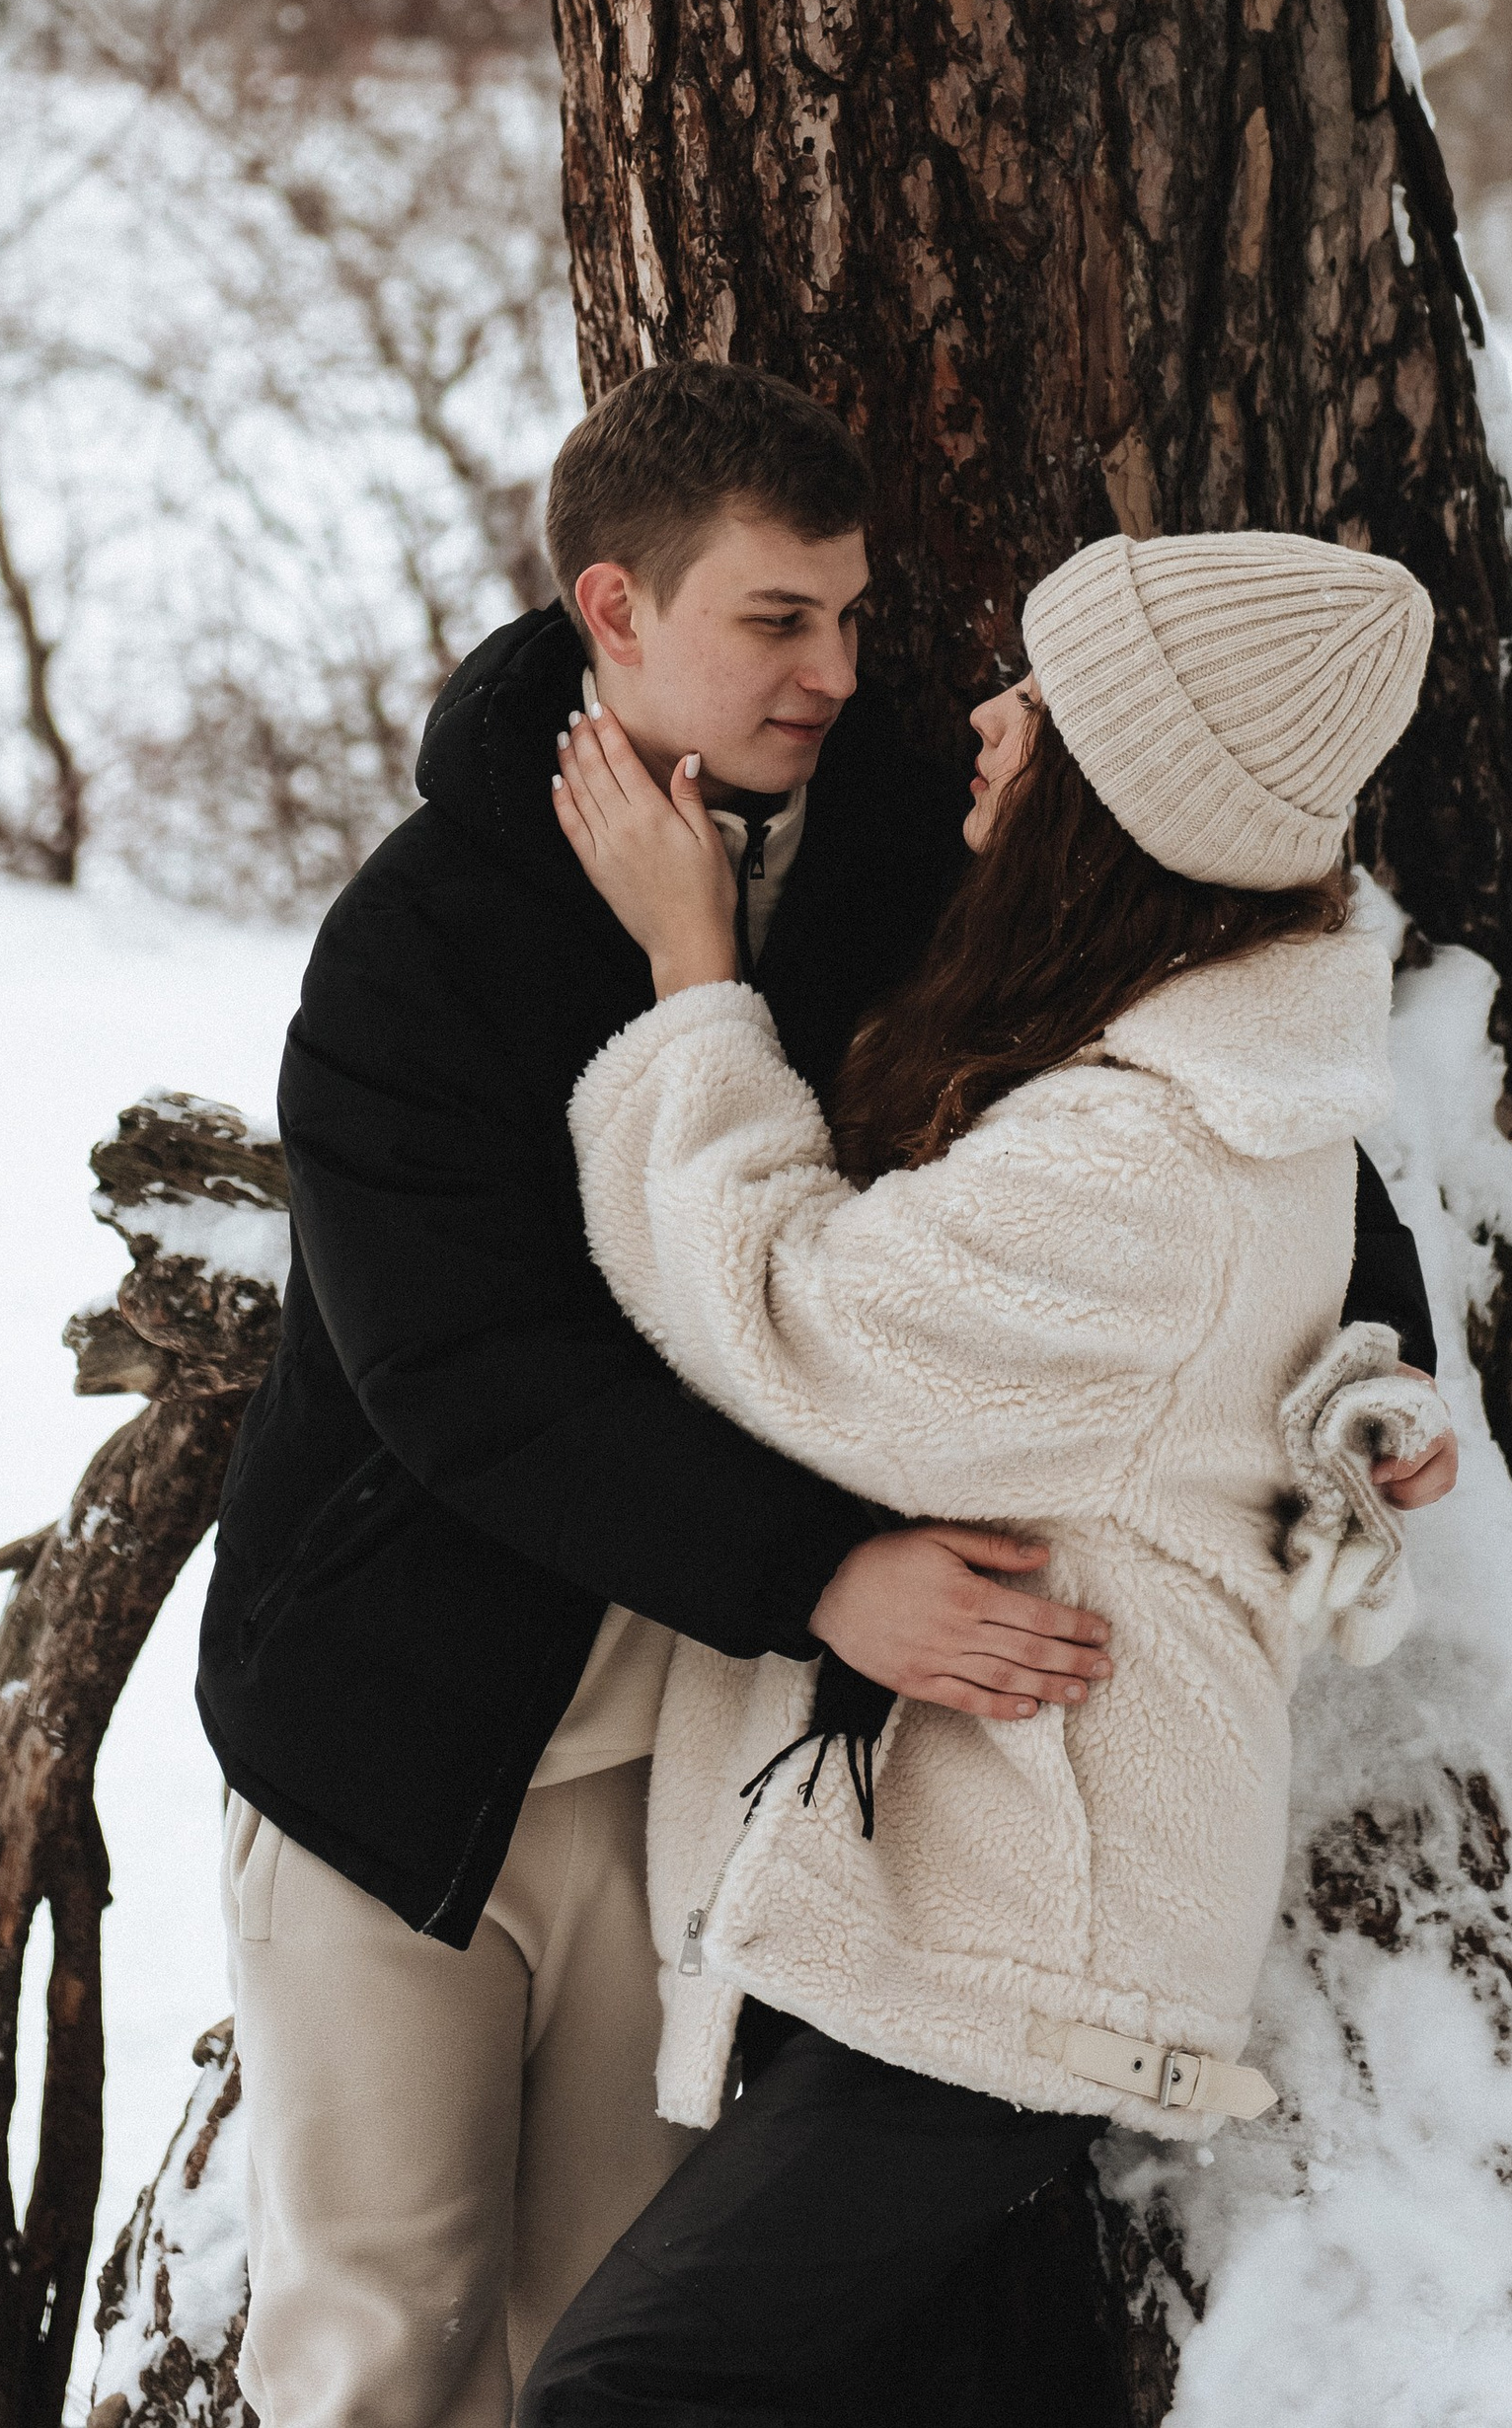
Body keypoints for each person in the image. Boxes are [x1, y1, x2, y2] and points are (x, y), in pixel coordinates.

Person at [195, 370, 1444, 2428]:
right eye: (775, 620)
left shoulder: (915, 848)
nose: (836, 670)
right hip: (396, 1737)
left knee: (608, 2332)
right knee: (377, 2334)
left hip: (673, 1750)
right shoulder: (428, 938)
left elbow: (1200, 1089)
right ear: (613, 605)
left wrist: (1359, 1346)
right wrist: (821, 1574)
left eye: (852, 618)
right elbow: (462, 1377)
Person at [522, 528, 1456, 2425]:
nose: (991, 716)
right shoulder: (1200, 1070)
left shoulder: (1143, 1159)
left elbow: (795, 1323)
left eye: (1051, 699)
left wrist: (694, 976)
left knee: (626, 2390)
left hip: (1037, 1927)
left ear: (1128, 797)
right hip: (1007, 1873)